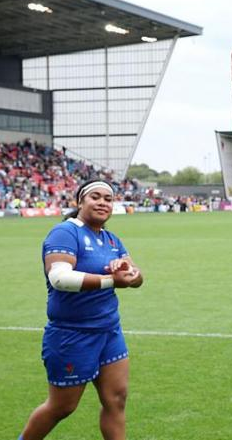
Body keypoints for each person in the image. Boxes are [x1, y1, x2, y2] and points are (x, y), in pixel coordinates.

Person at [18, 179, 143, 440]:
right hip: (72, 334)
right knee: (62, 407)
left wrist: (129, 272)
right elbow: (60, 278)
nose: (102, 203)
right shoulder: (66, 232)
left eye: (107, 199)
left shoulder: (110, 239)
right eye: (95, 197)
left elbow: (136, 277)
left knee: (116, 399)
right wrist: (111, 280)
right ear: (80, 202)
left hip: (109, 331)